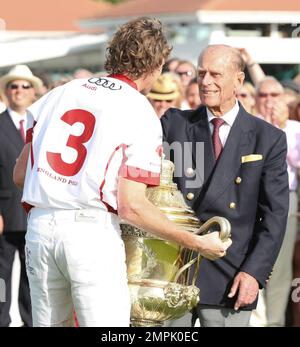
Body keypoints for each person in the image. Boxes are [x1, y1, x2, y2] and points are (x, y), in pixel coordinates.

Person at [13, 18, 231, 328]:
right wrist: (194, 242)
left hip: (40, 226)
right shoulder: (137, 108)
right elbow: (132, 205)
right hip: (89, 231)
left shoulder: (58, 94)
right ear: (156, 65)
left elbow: (20, 175)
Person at [161, 44, 289, 327]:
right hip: (173, 271)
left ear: (239, 80)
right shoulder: (175, 125)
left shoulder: (267, 138)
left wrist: (254, 273)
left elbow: (274, 216)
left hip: (230, 274)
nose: (205, 82)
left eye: (215, 74)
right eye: (201, 73)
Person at [253, 77, 300, 326]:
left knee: (280, 270)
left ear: (282, 98)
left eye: (274, 95)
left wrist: (281, 127)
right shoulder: (248, 124)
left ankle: (275, 322)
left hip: (285, 198)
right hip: (250, 199)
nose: (269, 100)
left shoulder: (294, 128)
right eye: (263, 95)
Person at [0, 65, 42, 327]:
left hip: (34, 215)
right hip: (4, 216)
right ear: (6, 91)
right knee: (1, 279)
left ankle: (30, 322)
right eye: (13, 86)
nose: (19, 91)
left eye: (25, 86)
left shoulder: (43, 124)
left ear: (33, 91)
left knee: (32, 279)